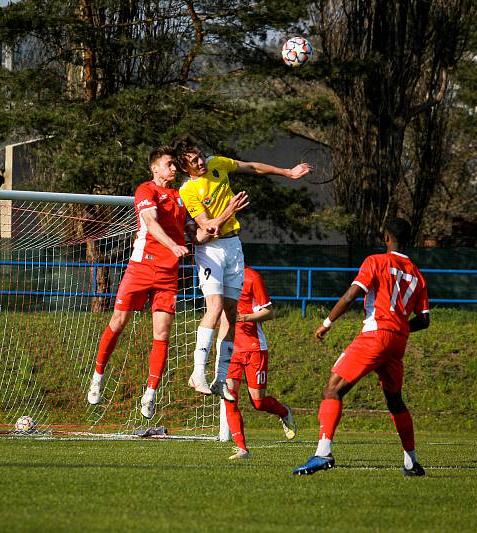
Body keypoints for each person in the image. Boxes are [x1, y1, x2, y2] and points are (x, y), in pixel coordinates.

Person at [86, 145, 247, 419]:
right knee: (118, 322)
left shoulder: (181, 197)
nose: (174, 169)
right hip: (141, 268)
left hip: (167, 275)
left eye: (175, 165)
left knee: (162, 334)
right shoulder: (146, 190)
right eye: (169, 164)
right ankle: (98, 375)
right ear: (155, 169)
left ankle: (150, 394)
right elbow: (150, 222)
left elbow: (200, 235)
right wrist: (173, 245)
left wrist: (224, 215)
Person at [172, 133, 311, 400]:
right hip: (210, 249)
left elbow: (252, 166)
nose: (200, 162)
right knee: (214, 307)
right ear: (184, 167)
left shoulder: (217, 163)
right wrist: (229, 210)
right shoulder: (188, 190)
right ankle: (197, 372)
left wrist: (288, 172)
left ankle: (221, 377)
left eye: (200, 155)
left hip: (233, 245)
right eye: (193, 160)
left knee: (231, 314)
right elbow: (206, 228)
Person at [293, 218, 429, 476]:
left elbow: (351, 295)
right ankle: (411, 461)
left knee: (332, 389)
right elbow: (424, 319)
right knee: (395, 401)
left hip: (376, 335)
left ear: (386, 238)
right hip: (398, 342)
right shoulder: (417, 274)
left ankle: (323, 453)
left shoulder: (376, 261)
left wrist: (327, 322)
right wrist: (398, 328)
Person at [218, 266, 296, 460]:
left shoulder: (252, 277)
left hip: (254, 348)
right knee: (229, 398)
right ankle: (242, 448)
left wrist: (243, 317)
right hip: (231, 349)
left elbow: (269, 312)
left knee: (258, 402)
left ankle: (284, 412)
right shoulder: (218, 276)